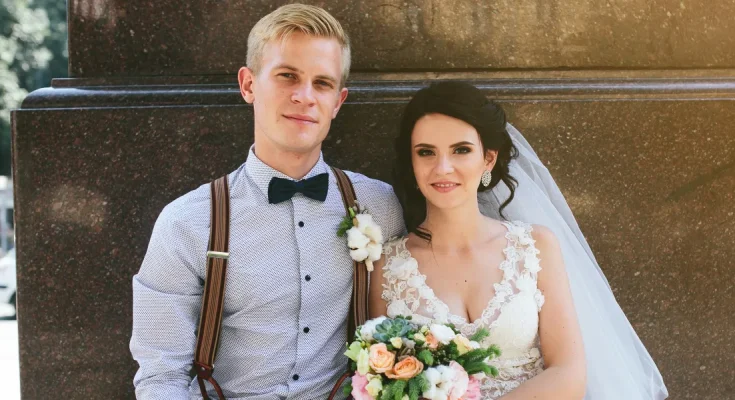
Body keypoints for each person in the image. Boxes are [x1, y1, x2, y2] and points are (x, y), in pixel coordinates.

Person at [130, 4, 404, 399]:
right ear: (248, 85)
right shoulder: (185, 223)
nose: (305, 97)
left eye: (322, 83)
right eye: (287, 76)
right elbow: (161, 377)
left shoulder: (380, 206)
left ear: (338, 101)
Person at [369, 81, 668, 399]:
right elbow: (381, 382)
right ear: (412, 163)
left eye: (461, 150)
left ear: (488, 159)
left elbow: (568, 372)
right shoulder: (387, 266)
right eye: (426, 152)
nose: (443, 168)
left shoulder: (534, 246)